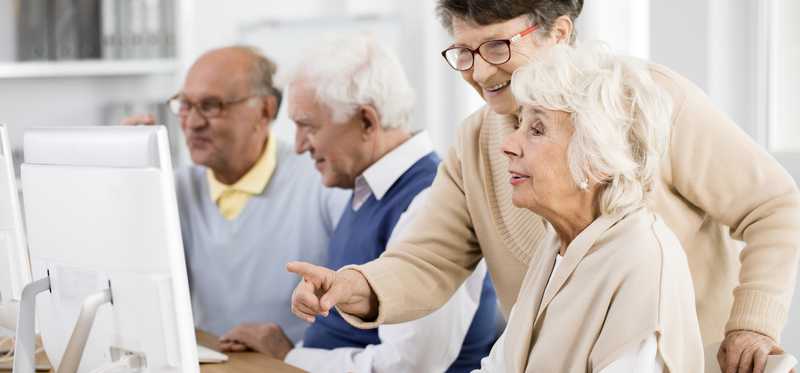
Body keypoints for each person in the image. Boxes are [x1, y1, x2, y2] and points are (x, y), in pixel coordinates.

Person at [288, 1, 800, 373]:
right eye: (464, 52)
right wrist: (357, 286)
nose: (481, 71)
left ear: (559, 32)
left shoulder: (649, 104)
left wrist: (751, 322)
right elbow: (426, 259)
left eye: (495, 46)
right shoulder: (475, 142)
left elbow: (774, 203)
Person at [218, 35, 498, 373]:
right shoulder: (365, 190)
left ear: (367, 121)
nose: (298, 146)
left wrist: (288, 355)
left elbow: (406, 367)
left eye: (308, 126)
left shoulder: (429, 201)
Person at [477, 42, 703, 372]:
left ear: (598, 158)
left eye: (537, 129)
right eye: (519, 125)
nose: (509, 145)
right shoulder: (559, 244)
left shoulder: (642, 261)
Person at [123, 46, 348, 343]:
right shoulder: (173, 188)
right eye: (185, 105)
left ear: (266, 111)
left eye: (212, 105)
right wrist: (126, 184)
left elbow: (357, 309)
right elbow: (131, 290)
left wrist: (293, 354)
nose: (192, 123)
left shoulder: (322, 180)